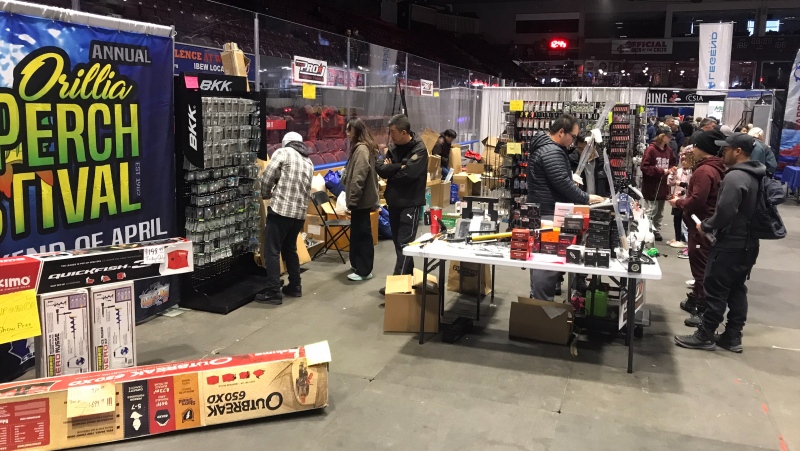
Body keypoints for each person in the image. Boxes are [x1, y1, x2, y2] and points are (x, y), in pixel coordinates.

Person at [674, 133, 763, 352]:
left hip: (730, 242)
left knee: (716, 288)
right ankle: (733, 336)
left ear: (738, 151)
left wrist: (706, 226)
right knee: (736, 289)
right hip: (748, 243)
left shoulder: (735, 177)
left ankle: (705, 334)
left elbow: (725, 211)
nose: (722, 152)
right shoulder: (757, 174)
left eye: (726, 149)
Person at [527, 115, 604, 301]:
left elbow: (558, 179)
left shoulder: (547, 148)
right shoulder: (551, 151)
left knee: (544, 263)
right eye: (572, 136)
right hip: (548, 213)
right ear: (561, 132)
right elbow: (561, 182)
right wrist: (586, 198)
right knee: (546, 264)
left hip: (545, 210)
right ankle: (541, 312)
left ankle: (540, 305)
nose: (573, 142)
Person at [669, 130, 727, 326]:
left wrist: (679, 203)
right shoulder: (717, 168)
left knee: (701, 267)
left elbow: (697, 201)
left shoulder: (704, 171)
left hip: (701, 225)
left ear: (703, 148)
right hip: (705, 224)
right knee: (703, 265)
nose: (692, 149)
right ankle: (696, 298)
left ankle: (702, 310)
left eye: (695, 145)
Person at [257, 132, 314, 305]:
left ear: (285, 143)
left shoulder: (283, 153)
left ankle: (273, 292)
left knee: (272, 250)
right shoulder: (309, 161)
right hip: (299, 215)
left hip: (281, 211)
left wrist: (265, 194)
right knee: (290, 249)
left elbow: (267, 176)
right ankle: (295, 286)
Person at [376, 114, 428, 291]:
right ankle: (409, 279)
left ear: (404, 132)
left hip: (410, 203)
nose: (391, 137)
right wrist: (399, 166)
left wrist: (392, 169)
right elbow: (381, 169)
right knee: (400, 244)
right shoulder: (393, 147)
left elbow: (409, 175)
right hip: (394, 203)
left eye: (393, 132)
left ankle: (397, 285)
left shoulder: (419, 150)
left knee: (405, 244)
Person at [342, 118, 380, 281]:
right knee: (358, 234)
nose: (347, 133)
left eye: (349, 130)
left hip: (361, 202)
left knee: (363, 235)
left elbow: (359, 176)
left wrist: (353, 199)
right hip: (360, 201)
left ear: (356, 131)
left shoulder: (362, 150)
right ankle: (358, 264)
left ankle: (364, 270)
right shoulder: (360, 149)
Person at [640, 126, 677, 241]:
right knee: (651, 210)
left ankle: (656, 229)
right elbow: (644, 167)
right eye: (668, 136)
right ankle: (648, 229)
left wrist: (672, 169)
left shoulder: (668, 150)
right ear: (661, 136)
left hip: (663, 185)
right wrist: (661, 171)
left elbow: (672, 162)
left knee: (660, 211)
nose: (670, 138)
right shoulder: (651, 150)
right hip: (652, 185)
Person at [569, 129, 610, 197]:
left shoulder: (603, 161)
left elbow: (611, 184)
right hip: (580, 204)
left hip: (599, 204)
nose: (583, 153)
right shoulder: (571, 161)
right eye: (580, 148)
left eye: (587, 149)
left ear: (594, 147)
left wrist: (607, 198)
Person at [666, 147, 694, 249]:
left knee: (685, 220)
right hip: (677, 198)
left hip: (686, 199)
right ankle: (678, 238)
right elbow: (670, 182)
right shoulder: (679, 171)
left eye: (686, 160)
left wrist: (682, 185)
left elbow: (690, 185)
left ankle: (684, 240)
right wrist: (672, 173)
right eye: (682, 160)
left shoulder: (692, 172)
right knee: (676, 219)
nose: (683, 162)